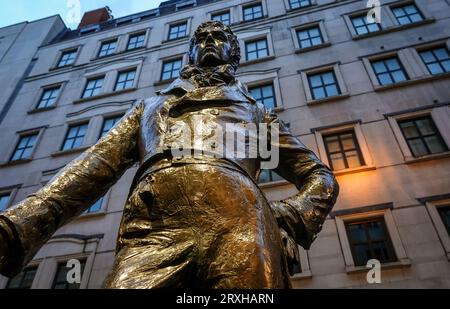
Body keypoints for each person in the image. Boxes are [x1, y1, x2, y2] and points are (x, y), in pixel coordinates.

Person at [0, 21, 339, 288]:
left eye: (220, 37)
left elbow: (318, 175)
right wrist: (18, 225)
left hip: (241, 224)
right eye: (201, 39)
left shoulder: (255, 114)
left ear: (234, 54)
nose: (209, 41)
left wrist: (289, 215)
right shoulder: (150, 108)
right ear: (190, 53)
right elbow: (94, 167)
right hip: (153, 229)